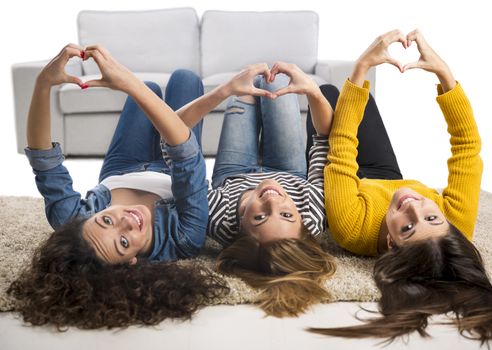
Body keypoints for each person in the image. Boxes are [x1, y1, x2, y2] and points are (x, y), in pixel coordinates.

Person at [8, 44, 228, 329]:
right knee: (185, 79)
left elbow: (43, 161)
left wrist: (43, 82)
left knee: (148, 85)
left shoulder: (70, 221)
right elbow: (186, 155)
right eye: (123, 243)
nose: (126, 220)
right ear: (132, 264)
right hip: (172, 167)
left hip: (122, 166)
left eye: (107, 219)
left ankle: (142, 87)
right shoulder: (185, 239)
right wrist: (128, 83)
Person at [309, 29, 492, 345]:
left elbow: (341, 148)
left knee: (329, 94)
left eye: (409, 227)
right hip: (388, 174)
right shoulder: (456, 227)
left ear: (389, 244)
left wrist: (361, 67)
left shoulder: (351, 229)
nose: (414, 205)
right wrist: (443, 72)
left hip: (352, 179)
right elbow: (467, 145)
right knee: (360, 98)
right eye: (432, 218)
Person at [171, 62, 337, 317]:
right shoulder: (313, 215)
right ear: (301, 220)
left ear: (239, 227)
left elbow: (173, 142)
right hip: (288, 171)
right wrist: (314, 92)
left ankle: (242, 87)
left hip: (233, 171)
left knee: (245, 89)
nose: (273, 202)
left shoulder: (218, 219)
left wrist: (224, 90)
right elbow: (324, 140)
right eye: (286, 215)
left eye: (260, 217)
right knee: (277, 82)